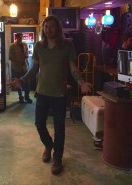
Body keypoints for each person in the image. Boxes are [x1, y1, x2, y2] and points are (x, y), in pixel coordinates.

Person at [9, 15, 92, 175]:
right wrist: (22, 80)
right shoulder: (39, 46)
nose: (49, 29)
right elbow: (34, 69)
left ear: (57, 28)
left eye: (52, 26)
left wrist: (81, 82)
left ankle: (57, 159)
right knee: (39, 124)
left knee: (59, 128)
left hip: (59, 94)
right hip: (42, 92)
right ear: (43, 29)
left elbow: (73, 68)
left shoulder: (67, 46)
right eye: (46, 27)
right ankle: (48, 145)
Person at [9, 32, 32, 103]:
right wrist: (19, 61)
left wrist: (26, 56)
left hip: (24, 67)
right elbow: (10, 57)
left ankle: (27, 97)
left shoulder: (24, 44)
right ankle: (20, 98)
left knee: (27, 83)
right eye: (20, 37)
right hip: (16, 68)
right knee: (17, 83)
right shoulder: (12, 46)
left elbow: (27, 52)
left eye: (22, 37)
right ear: (17, 37)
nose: (21, 39)